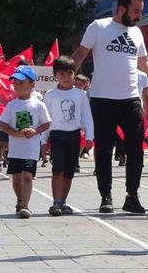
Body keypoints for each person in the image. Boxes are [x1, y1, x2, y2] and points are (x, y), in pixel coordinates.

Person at [71, 0, 148, 214]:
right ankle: (106, 195)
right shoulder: (98, 27)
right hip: (103, 99)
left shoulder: (136, 34)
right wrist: (64, 80)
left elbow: (144, 65)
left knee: (136, 150)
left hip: (130, 99)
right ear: (121, 9)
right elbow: (80, 54)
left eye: (141, 12)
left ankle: (132, 196)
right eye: (135, 11)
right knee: (103, 149)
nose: (139, 16)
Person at [0, 66, 51, 218]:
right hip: (15, 149)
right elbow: (3, 124)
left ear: (32, 84)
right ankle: (19, 199)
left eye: (22, 82)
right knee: (16, 179)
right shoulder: (11, 105)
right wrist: (15, 133)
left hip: (30, 149)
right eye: (15, 82)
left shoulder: (38, 104)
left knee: (27, 176)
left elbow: (46, 123)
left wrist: (35, 131)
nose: (18, 85)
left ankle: (25, 206)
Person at [44, 56, 93, 216]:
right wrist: (44, 140)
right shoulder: (51, 95)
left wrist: (89, 137)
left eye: (69, 73)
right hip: (57, 135)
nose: (66, 77)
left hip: (74, 136)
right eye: (62, 73)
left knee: (69, 171)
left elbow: (86, 116)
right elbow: (46, 118)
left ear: (74, 74)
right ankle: (56, 201)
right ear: (55, 75)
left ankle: (63, 201)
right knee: (57, 169)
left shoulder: (80, 95)